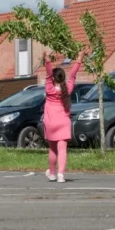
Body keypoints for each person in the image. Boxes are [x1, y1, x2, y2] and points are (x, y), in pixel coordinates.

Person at [42, 48, 84, 183]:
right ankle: (61, 174)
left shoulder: (49, 88)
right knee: (62, 149)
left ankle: (52, 173)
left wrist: (47, 59)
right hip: (64, 122)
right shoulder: (68, 89)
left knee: (52, 149)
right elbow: (73, 74)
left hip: (51, 122)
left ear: (53, 79)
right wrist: (79, 58)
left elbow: (48, 73)